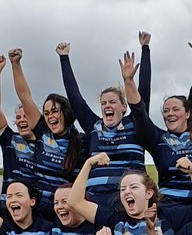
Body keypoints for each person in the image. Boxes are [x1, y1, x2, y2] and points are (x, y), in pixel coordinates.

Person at [124, 39, 192, 207]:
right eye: (166, 111)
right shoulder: (158, 139)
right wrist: (128, 82)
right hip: (170, 210)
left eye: (175, 109)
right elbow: (139, 111)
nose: (170, 114)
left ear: (188, 113)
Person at [59, 39, 154, 206]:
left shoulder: (135, 123)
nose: (107, 106)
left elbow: (144, 89)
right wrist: (64, 58)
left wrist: (145, 49)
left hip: (127, 200)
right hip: (95, 202)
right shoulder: (93, 126)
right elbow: (75, 97)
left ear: (124, 107)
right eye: (103, 103)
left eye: (112, 102)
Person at [11, 48, 83, 220]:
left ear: (66, 112)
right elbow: (25, 96)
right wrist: (16, 64)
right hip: (39, 212)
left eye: (55, 111)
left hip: (66, 212)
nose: (50, 116)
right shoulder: (43, 130)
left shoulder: (82, 141)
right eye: (47, 112)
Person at [0, 54, 39, 194]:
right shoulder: (10, 140)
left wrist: (16, 64)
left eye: (26, 116)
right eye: (18, 117)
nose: (22, 120)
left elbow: (26, 96)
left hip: (36, 206)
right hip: (9, 205)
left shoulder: (45, 142)